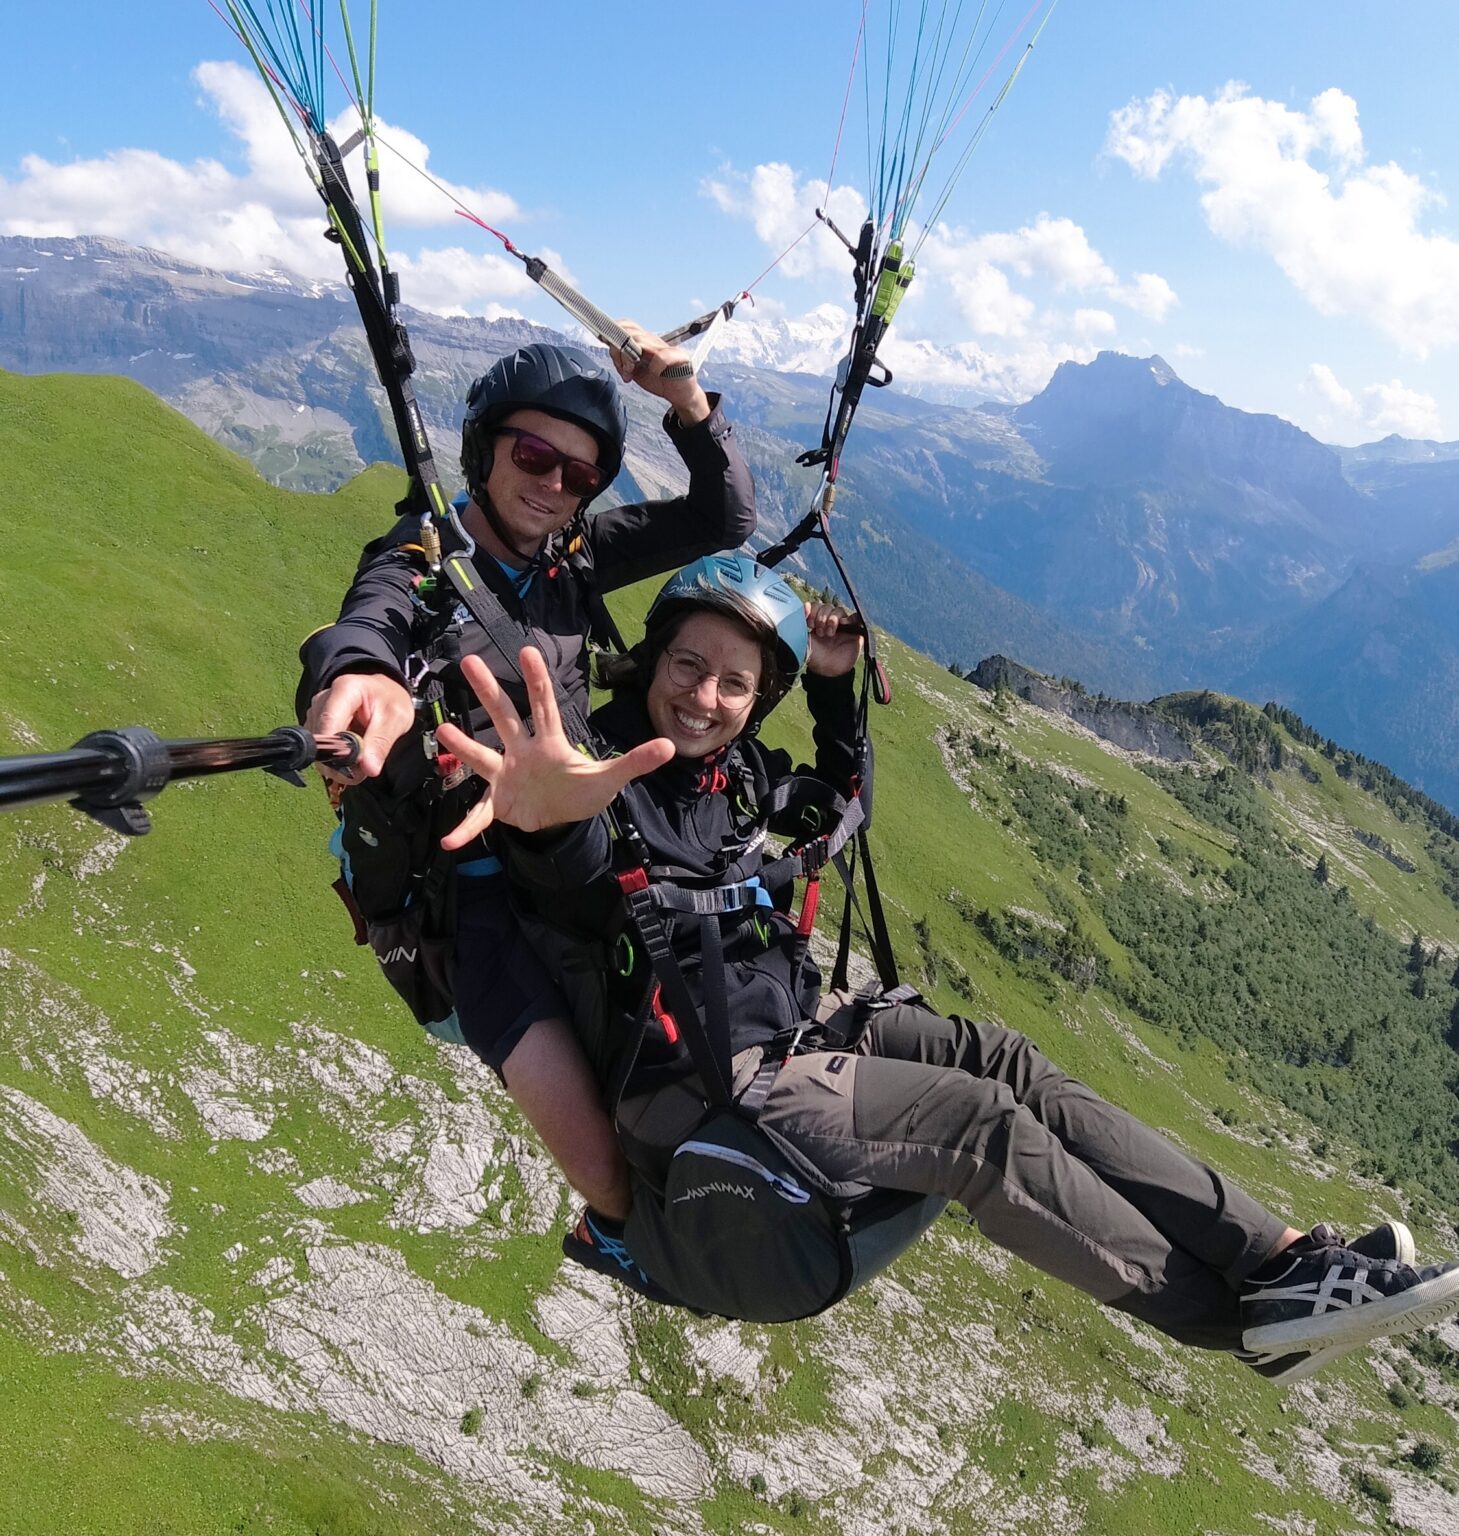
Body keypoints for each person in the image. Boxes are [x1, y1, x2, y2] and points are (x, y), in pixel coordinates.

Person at [436, 555, 1459, 1385]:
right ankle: (1236, 1324)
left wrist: (832, 687)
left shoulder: (730, 772)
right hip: (704, 1084)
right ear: (653, 655)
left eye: (735, 682)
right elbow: (572, 880)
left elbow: (841, 804)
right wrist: (547, 818)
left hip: (789, 1031)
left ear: (760, 696)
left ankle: (1279, 1259)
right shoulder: (595, 778)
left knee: (1003, 1058)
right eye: (687, 665)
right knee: (976, 1126)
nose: (703, 696)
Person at [296, 329, 754, 1221]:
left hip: (576, 844)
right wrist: (362, 675)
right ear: (485, 446)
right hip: (474, 892)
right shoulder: (422, 560)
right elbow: (370, 619)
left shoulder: (570, 556)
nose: (553, 486)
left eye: (580, 475)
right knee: (599, 1164)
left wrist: (687, 403)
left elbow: (721, 520)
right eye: (534, 456)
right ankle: (616, 1231)